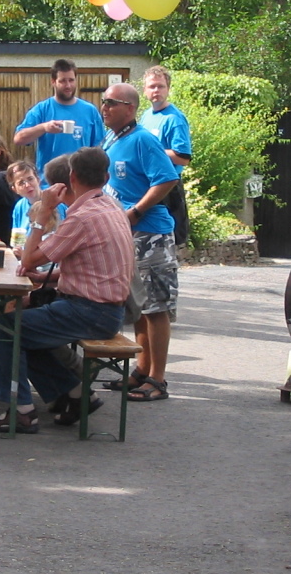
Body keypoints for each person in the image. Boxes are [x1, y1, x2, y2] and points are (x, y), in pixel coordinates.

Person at [0, 147, 135, 433]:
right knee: (27, 332)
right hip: (108, 309)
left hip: (90, 311)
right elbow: (97, 268)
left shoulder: (81, 218)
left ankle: (21, 412)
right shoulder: (111, 206)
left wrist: (43, 212)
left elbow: (27, 259)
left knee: (5, 328)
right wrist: (46, 278)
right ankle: (78, 395)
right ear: (106, 176)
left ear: (71, 178)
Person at [101, 82, 179, 403]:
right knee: (139, 305)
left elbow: (167, 179)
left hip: (151, 234)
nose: (104, 107)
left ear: (130, 108)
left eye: (111, 103)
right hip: (126, 234)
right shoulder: (112, 138)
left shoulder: (143, 139)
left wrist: (135, 212)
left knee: (156, 307)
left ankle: (158, 380)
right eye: (103, 102)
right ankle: (141, 370)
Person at [14, 58, 105, 185]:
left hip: (82, 184)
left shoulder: (90, 111)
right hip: (49, 184)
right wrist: (44, 128)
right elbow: (19, 139)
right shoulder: (42, 109)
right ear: (53, 82)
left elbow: (100, 148)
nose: (68, 86)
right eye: (62, 81)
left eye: (71, 80)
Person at [139, 65, 192, 246]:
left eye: (160, 86)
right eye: (152, 86)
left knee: (168, 242)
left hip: (168, 187)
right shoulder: (146, 116)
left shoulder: (174, 119)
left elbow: (183, 157)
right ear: (145, 90)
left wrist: (154, 150)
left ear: (168, 89)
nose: (156, 90)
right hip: (148, 183)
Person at [8, 159, 67, 238]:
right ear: (15, 189)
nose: (27, 185)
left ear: (38, 180)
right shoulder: (19, 206)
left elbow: (61, 237)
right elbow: (17, 238)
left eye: (30, 179)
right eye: (21, 183)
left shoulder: (54, 202)